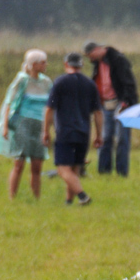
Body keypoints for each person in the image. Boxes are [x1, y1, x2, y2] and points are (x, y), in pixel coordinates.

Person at [42, 52, 104, 206]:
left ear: (66, 64)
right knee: (75, 168)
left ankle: (83, 196)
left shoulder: (60, 82)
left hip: (65, 132)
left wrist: (45, 131)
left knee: (63, 169)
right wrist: (99, 135)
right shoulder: (90, 84)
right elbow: (97, 112)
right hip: (83, 132)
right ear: (81, 65)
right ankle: (68, 202)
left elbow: (50, 109)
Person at [0, 49, 52, 200]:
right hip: (23, 123)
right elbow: (9, 102)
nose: (46, 65)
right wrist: (5, 126)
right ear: (34, 64)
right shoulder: (22, 80)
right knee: (19, 162)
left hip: (40, 125)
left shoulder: (46, 82)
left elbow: (50, 106)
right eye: (42, 62)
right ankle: (13, 197)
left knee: (37, 164)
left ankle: (36, 197)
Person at [85, 41, 139, 178]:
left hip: (122, 105)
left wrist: (126, 102)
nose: (90, 59)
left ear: (97, 50)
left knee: (122, 139)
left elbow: (129, 83)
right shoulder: (97, 64)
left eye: (90, 55)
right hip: (105, 105)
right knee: (105, 138)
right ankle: (104, 171)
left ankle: (121, 172)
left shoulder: (118, 60)